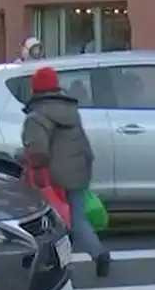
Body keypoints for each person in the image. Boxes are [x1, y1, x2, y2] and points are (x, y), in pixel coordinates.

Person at [22, 66, 112, 278]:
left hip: (52, 177)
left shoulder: (37, 116)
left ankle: (54, 265)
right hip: (78, 170)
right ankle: (98, 254)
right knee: (76, 217)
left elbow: (37, 151)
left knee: (51, 223)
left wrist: (23, 156)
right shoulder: (70, 110)